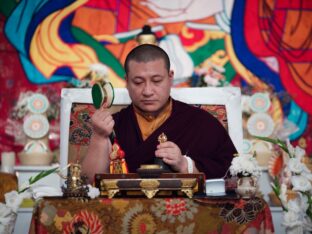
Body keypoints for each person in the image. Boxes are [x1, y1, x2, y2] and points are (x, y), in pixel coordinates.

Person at [82, 44, 237, 182]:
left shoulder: (200, 122)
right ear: (127, 81)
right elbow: (89, 181)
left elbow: (231, 171)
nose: (148, 91)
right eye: (138, 82)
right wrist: (99, 136)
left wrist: (184, 164)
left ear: (170, 78)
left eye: (156, 81)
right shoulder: (114, 124)